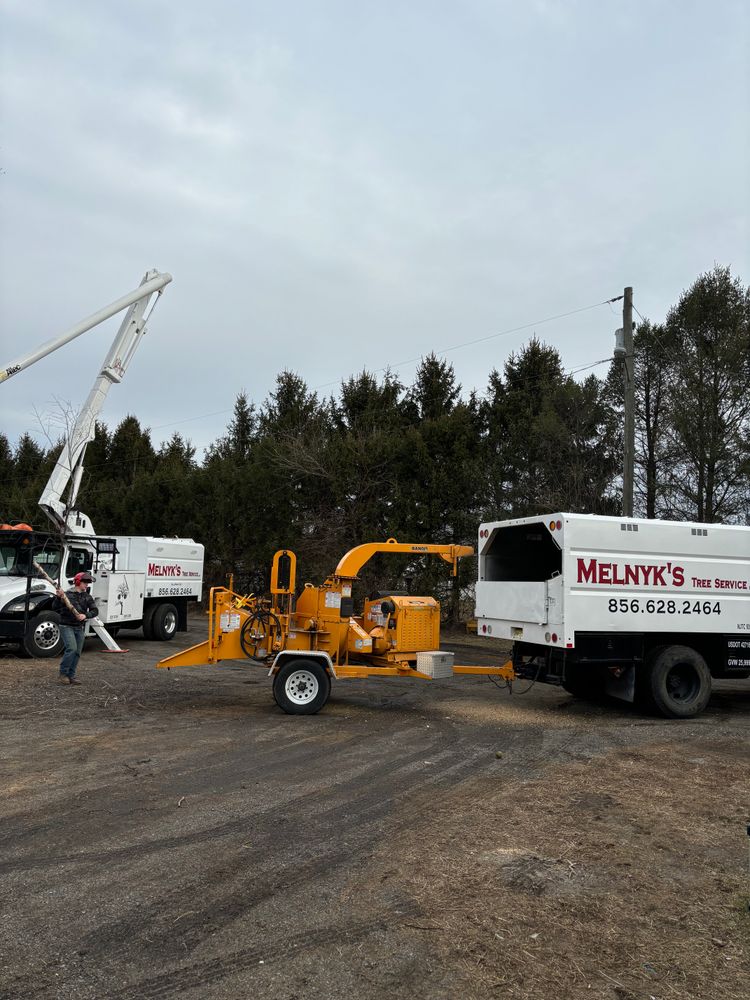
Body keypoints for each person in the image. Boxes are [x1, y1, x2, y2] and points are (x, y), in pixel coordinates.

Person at [53, 572, 98, 685]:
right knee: (71, 649)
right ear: (78, 582)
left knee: (77, 652)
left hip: (79, 627)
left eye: (88, 583)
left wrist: (85, 615)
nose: (87, 585)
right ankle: (63, 674)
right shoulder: (66, 595)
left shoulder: (87, 596)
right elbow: (55, 607)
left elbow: (95, 611)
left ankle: (71, 676)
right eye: (85, 582)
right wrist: (58, 598)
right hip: (66, 625)